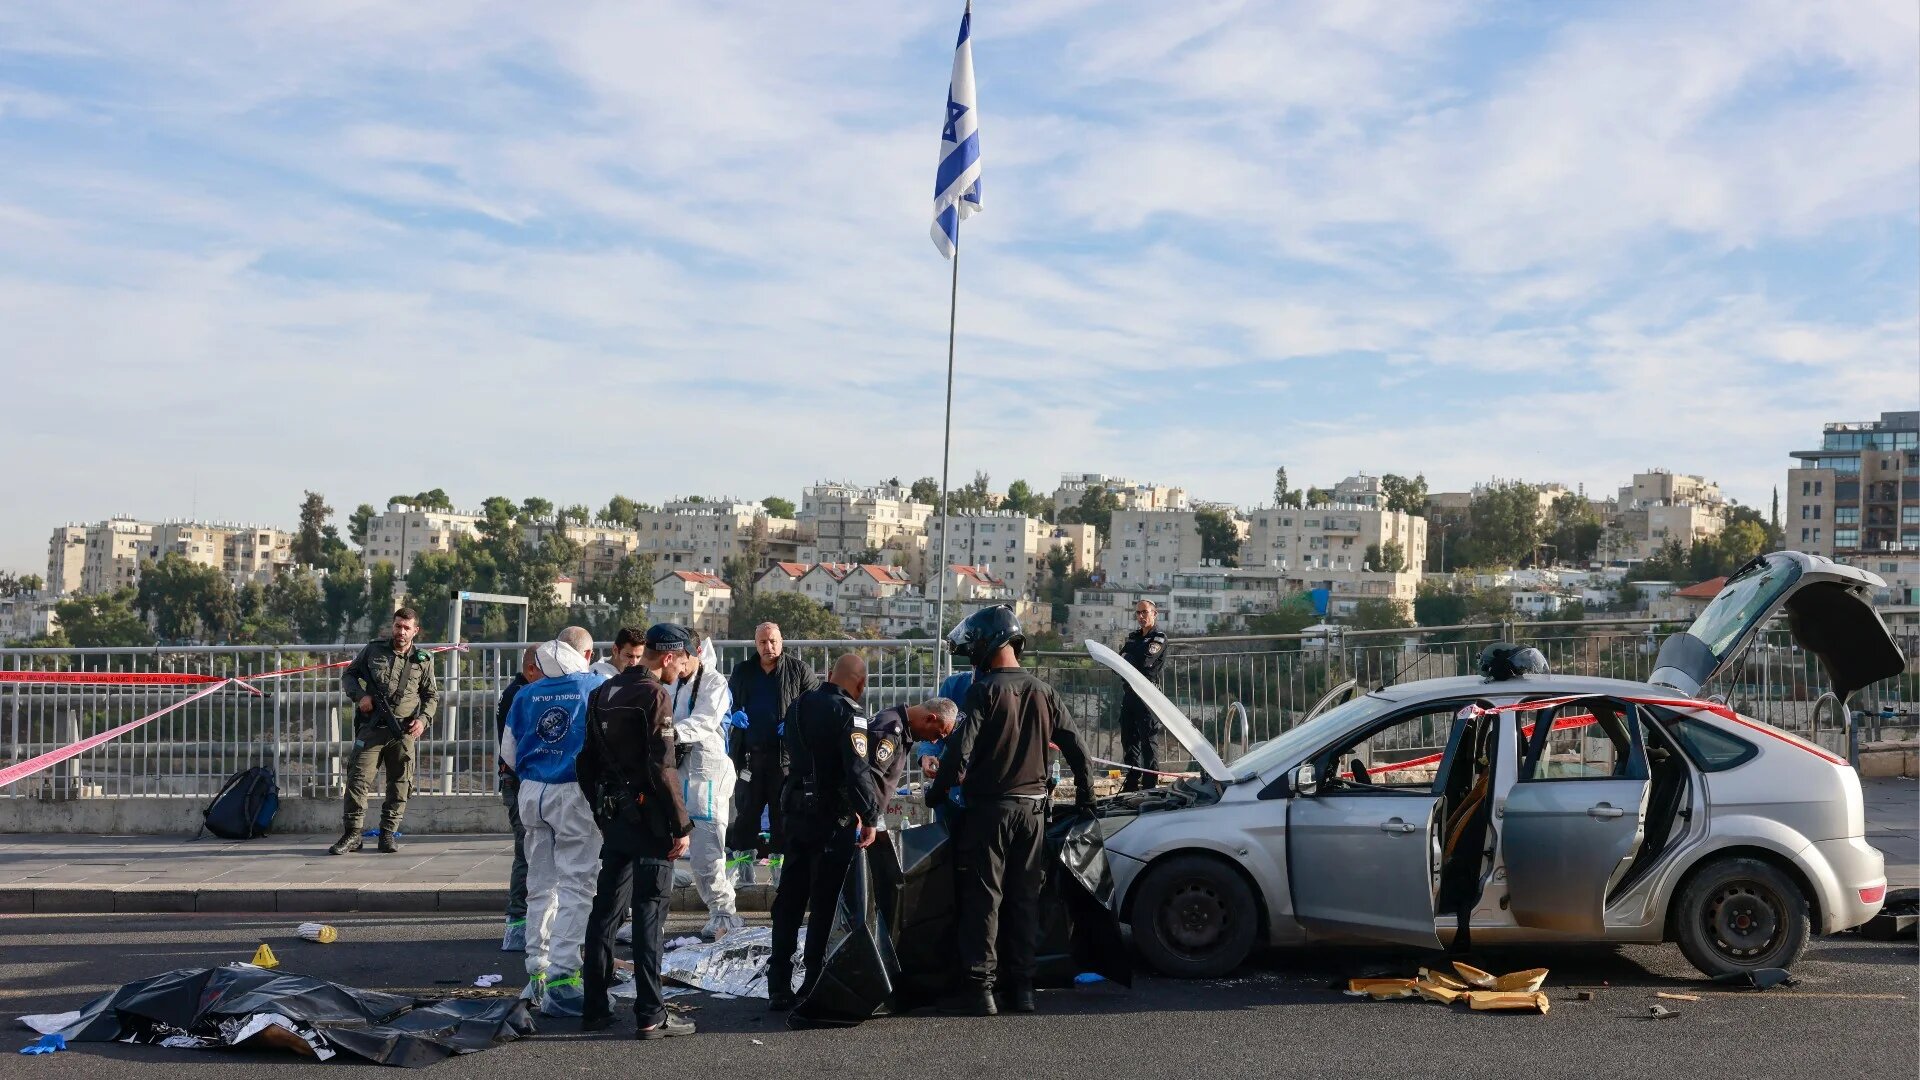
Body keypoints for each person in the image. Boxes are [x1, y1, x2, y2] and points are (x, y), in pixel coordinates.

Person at [929, 605, 1094, 1016]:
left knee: (984, 899)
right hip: (1034, 813)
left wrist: (938, 791)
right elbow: (1078, 750)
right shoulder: (1044, 691)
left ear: (988, 645)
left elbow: (957, 751)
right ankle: (1023, 989)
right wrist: (1087, 799)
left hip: (990, 812)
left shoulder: (983, 691)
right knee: (1024, 900)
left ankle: (981, 990)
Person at [578, 625, 696, 1039]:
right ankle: (651, 1013)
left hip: (616, 820)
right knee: (649, 913)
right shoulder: (655, 695)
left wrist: (603, 812)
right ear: (667, 658)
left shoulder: (602, 693)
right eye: (682, 664)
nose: (682, 672)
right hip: (650, 823)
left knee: (605, 911)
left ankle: (594, 1005)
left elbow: (585, 764)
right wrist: (682, 825)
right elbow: (663, 769)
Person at [499, 627, 608, 1017]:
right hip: (573, 791)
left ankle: (537, 971)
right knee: (577, 885)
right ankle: (564, 977)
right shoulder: (595, 686)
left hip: (532, 791)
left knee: (540, 884)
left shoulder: (527, 693)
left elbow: (508, 752)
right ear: (587, 653)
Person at [766, 654, 881, 1012]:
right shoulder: (850, 713)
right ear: (860, 684)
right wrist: (872, 816)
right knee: (824, 903)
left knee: (790, 899)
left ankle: (778, 983)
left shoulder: (798, 705)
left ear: (830, 675)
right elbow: (858, 771)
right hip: (832, 818)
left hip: (795, 811)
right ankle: (812, 980)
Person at [330, 607, 439, 856]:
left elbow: (431, 695)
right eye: (398, 626)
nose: (401, 632)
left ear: (415, 631)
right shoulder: (374, 649)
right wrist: (360, 696)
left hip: (403, 733)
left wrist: (423, 720)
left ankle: (387, 833)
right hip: (371, 731)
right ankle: (352, 835)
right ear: (393, 626)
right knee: (358, 781)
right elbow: (349, 674)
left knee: (400, 784)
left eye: (406, 628)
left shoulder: (423, 660)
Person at [662, 629, 742, 940]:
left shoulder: (713, 682)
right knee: (665, 842)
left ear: (693, 653)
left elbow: (705, 721)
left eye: (680, 659)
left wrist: (668, 734)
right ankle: (652, 911)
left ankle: (724, 912)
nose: (676, 666)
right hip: (675, 768)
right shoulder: (672, 682)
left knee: (706, 849)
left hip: (706, 774)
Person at [726, 621, 820, 878]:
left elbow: (816, 704)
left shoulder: (799, 670)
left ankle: (781, 874)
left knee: (783, 815)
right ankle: (743, 873)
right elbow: (726, 702)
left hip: (784, 758)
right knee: (747, 814)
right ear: (756, 645)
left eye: (773, 641)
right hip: (749, 756)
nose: (769, 646)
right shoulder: (743, 671)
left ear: (782, 641)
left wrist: (794, 722)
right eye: (763, 642)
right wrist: (733, 714)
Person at [496, 644, 540, 952]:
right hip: (518, 782)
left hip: (521, 782)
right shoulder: (519, 696)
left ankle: (525, 920)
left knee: (530, 852)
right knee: (525, 853)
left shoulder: (520, 692)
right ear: (531, 670)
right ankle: (518, 921)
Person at [1118, 599, 1170, 793]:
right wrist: (1131, 658)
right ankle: (1131, 781)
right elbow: (1118, 661)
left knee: (1148, 741)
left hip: (1147, 695)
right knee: (1128, 739)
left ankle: (1150, 784)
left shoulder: (1159, 638)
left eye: (1145, 612)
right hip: (1130, 693)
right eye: (1138, 613)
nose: (1141, 616)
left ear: (1154, 614)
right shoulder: (1133, 637)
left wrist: (1130, 657)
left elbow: (1146, 661)